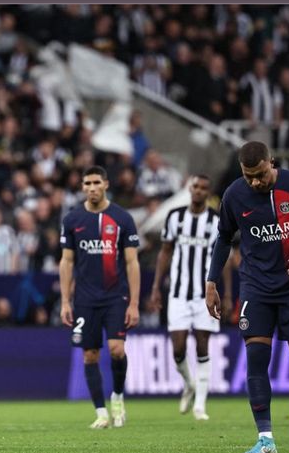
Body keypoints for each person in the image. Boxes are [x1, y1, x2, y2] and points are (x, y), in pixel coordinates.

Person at [205, 141, 289, 453]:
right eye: (248, 175)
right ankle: (265, 439)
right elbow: (224, 237)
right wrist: (212, 281)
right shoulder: (234, 194)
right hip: (255, 287)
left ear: (272, 162)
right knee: (256, 359)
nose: (255, 181)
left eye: (261, 174)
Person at [59, 166, 141, 429]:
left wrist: (135, 304)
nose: (92, 187)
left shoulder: (122, 218)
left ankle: (117, 397)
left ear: (106, 184)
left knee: (117, 350)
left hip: (115, 297)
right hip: (84, 299)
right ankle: (101, 412)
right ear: (82, 186)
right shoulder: (72, 219)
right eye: (87, 183)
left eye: (96, 182)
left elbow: (132, 263)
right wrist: (64, 301)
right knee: (90, 355)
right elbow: (66, 262)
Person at [151, 174, 230, 421]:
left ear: (208, 192)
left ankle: (200, 405)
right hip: (178, 293)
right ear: (189, 188)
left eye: (203, 188)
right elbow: (164, 253)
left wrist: (225, 293)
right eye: (195, 187)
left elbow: (224, 258)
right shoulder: (175, 217)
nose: (198, 191)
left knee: (203, 344)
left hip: (204, 294)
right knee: (178, 349)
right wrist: (155, 287)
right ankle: (189, 384)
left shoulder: (217, 220)